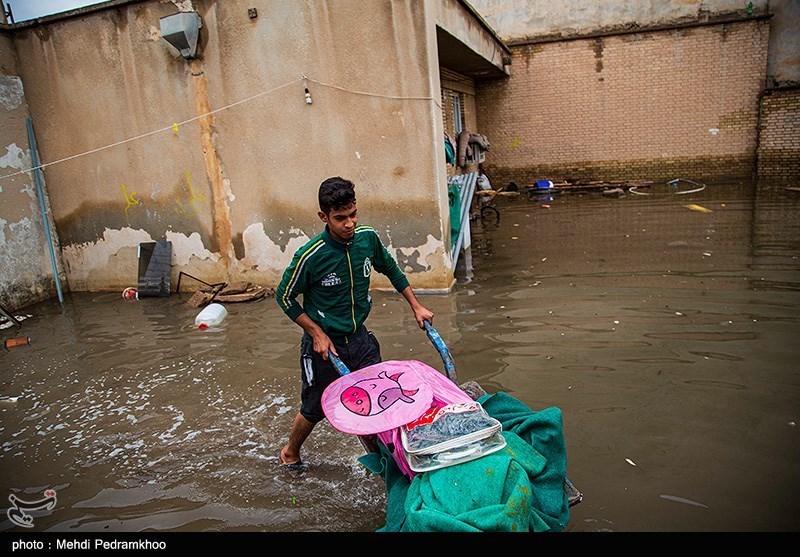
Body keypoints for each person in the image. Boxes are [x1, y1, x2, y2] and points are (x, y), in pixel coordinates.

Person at [275, 176, 435, 474]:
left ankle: (382, 460)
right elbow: (283, 297)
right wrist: (316, 333)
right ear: (324, 217)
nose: (348, 224)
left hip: (359, 340)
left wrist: (416, 306)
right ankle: (290, 452)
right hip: (324, 347)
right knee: (314, 408)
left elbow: (391, 268)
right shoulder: (310, 256)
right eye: (339, 218)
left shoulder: (367, 238)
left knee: (376, 398)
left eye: (352, 215)